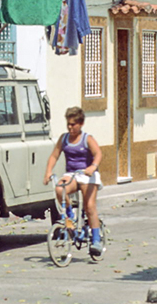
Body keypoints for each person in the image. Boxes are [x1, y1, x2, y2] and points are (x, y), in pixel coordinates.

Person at [43, 106, 104, 256]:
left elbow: (98, 154)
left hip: (88, 174)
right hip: (72, 174)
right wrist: (48, 172)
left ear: (81, 124)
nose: (70, 128)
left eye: (73, 125)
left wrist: (92, 167)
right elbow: (54, 156)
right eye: (68, 124)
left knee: (89, 206)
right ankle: (70, 218)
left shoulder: (87, 139)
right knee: (59, 189)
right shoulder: (64, 139)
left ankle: (96, 240)